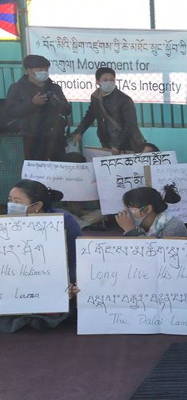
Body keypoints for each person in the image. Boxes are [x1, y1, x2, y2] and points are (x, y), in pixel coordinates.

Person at [0, 180, 82, 333]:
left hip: (53, 284)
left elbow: (76, 259)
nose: (11, 205)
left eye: (17, 201)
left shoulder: (65, 221)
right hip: (15, 282)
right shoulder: (6, 224)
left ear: (37, 206)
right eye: (10, 200)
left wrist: (69, 283)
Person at [5, 55, 71, 161]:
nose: (44, 72)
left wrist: (57, 102)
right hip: (30, 139)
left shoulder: (54, 87)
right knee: (35, 173)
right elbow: (12, 112)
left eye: (46, 69)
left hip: (54, 138)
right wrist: (32, 103)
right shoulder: (17, 88)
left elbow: (67, 110)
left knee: (59, 171)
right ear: (29, 70)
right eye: (40, 69)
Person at [71, 67, 145, 155]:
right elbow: (90, 116)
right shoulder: (96, 97)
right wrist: (79, 131)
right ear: (98, 82)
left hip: (128, 144)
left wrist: (117, 145)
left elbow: (130, 124)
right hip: (106, 142)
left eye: (111, 80)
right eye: (105, 80)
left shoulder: (124, 99)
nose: (109, 82)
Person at [116, 185, 187, 238]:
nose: (126, 211)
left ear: (147, 209)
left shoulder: (173, 226)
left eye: (130, 208)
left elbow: (153, 253)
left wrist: (130, 229)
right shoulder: (138, 224)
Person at [58, 152, 105, 230]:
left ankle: (80, 225)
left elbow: (98, 205)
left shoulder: (90, 177)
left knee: (102, 213)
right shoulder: (59, 178)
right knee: (61, 212)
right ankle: (85, 225)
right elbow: (59, 206)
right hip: (70, 212)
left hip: (87, 213)